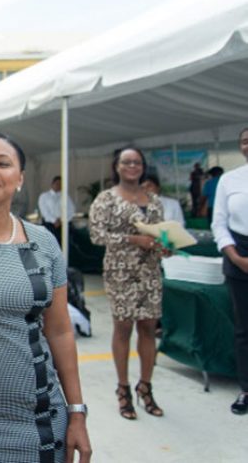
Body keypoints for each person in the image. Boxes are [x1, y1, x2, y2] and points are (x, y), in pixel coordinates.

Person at [0, 132, 92, 463]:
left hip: (45, 419)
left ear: (19, 179)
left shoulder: (43, 242)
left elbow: (59, 331)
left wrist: (77, 413)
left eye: (2, 164)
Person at [89, 147, 168, 420]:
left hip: (149, 271)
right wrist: (132, 239)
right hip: (120, 272)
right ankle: (123, 389)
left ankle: (145, 387)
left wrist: (165, 246)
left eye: (137, 162)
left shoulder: (155, 201)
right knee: (123, 328)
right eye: (127, 162)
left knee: (148, 327)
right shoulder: (106, 199)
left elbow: (160, 234)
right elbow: (96, 235)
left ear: (143, 166)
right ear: (117, 166)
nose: (132, 166)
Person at [212, 127, 248, 415]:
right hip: (240, 257)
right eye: (245, 140)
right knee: (244, 330)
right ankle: (246, 388)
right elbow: (219, 224)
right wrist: (236, 257)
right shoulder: (229, 180)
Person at [38, 175, 76, 245]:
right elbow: (44, 211)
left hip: (63, 223)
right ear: (52, 184)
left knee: (68, 240)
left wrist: (63, 220)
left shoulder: (66, 196)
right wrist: (54, 220)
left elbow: (71, 210)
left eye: (61, 184)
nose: (58, 186)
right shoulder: (44, 196)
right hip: (50, 224)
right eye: (57, 184)